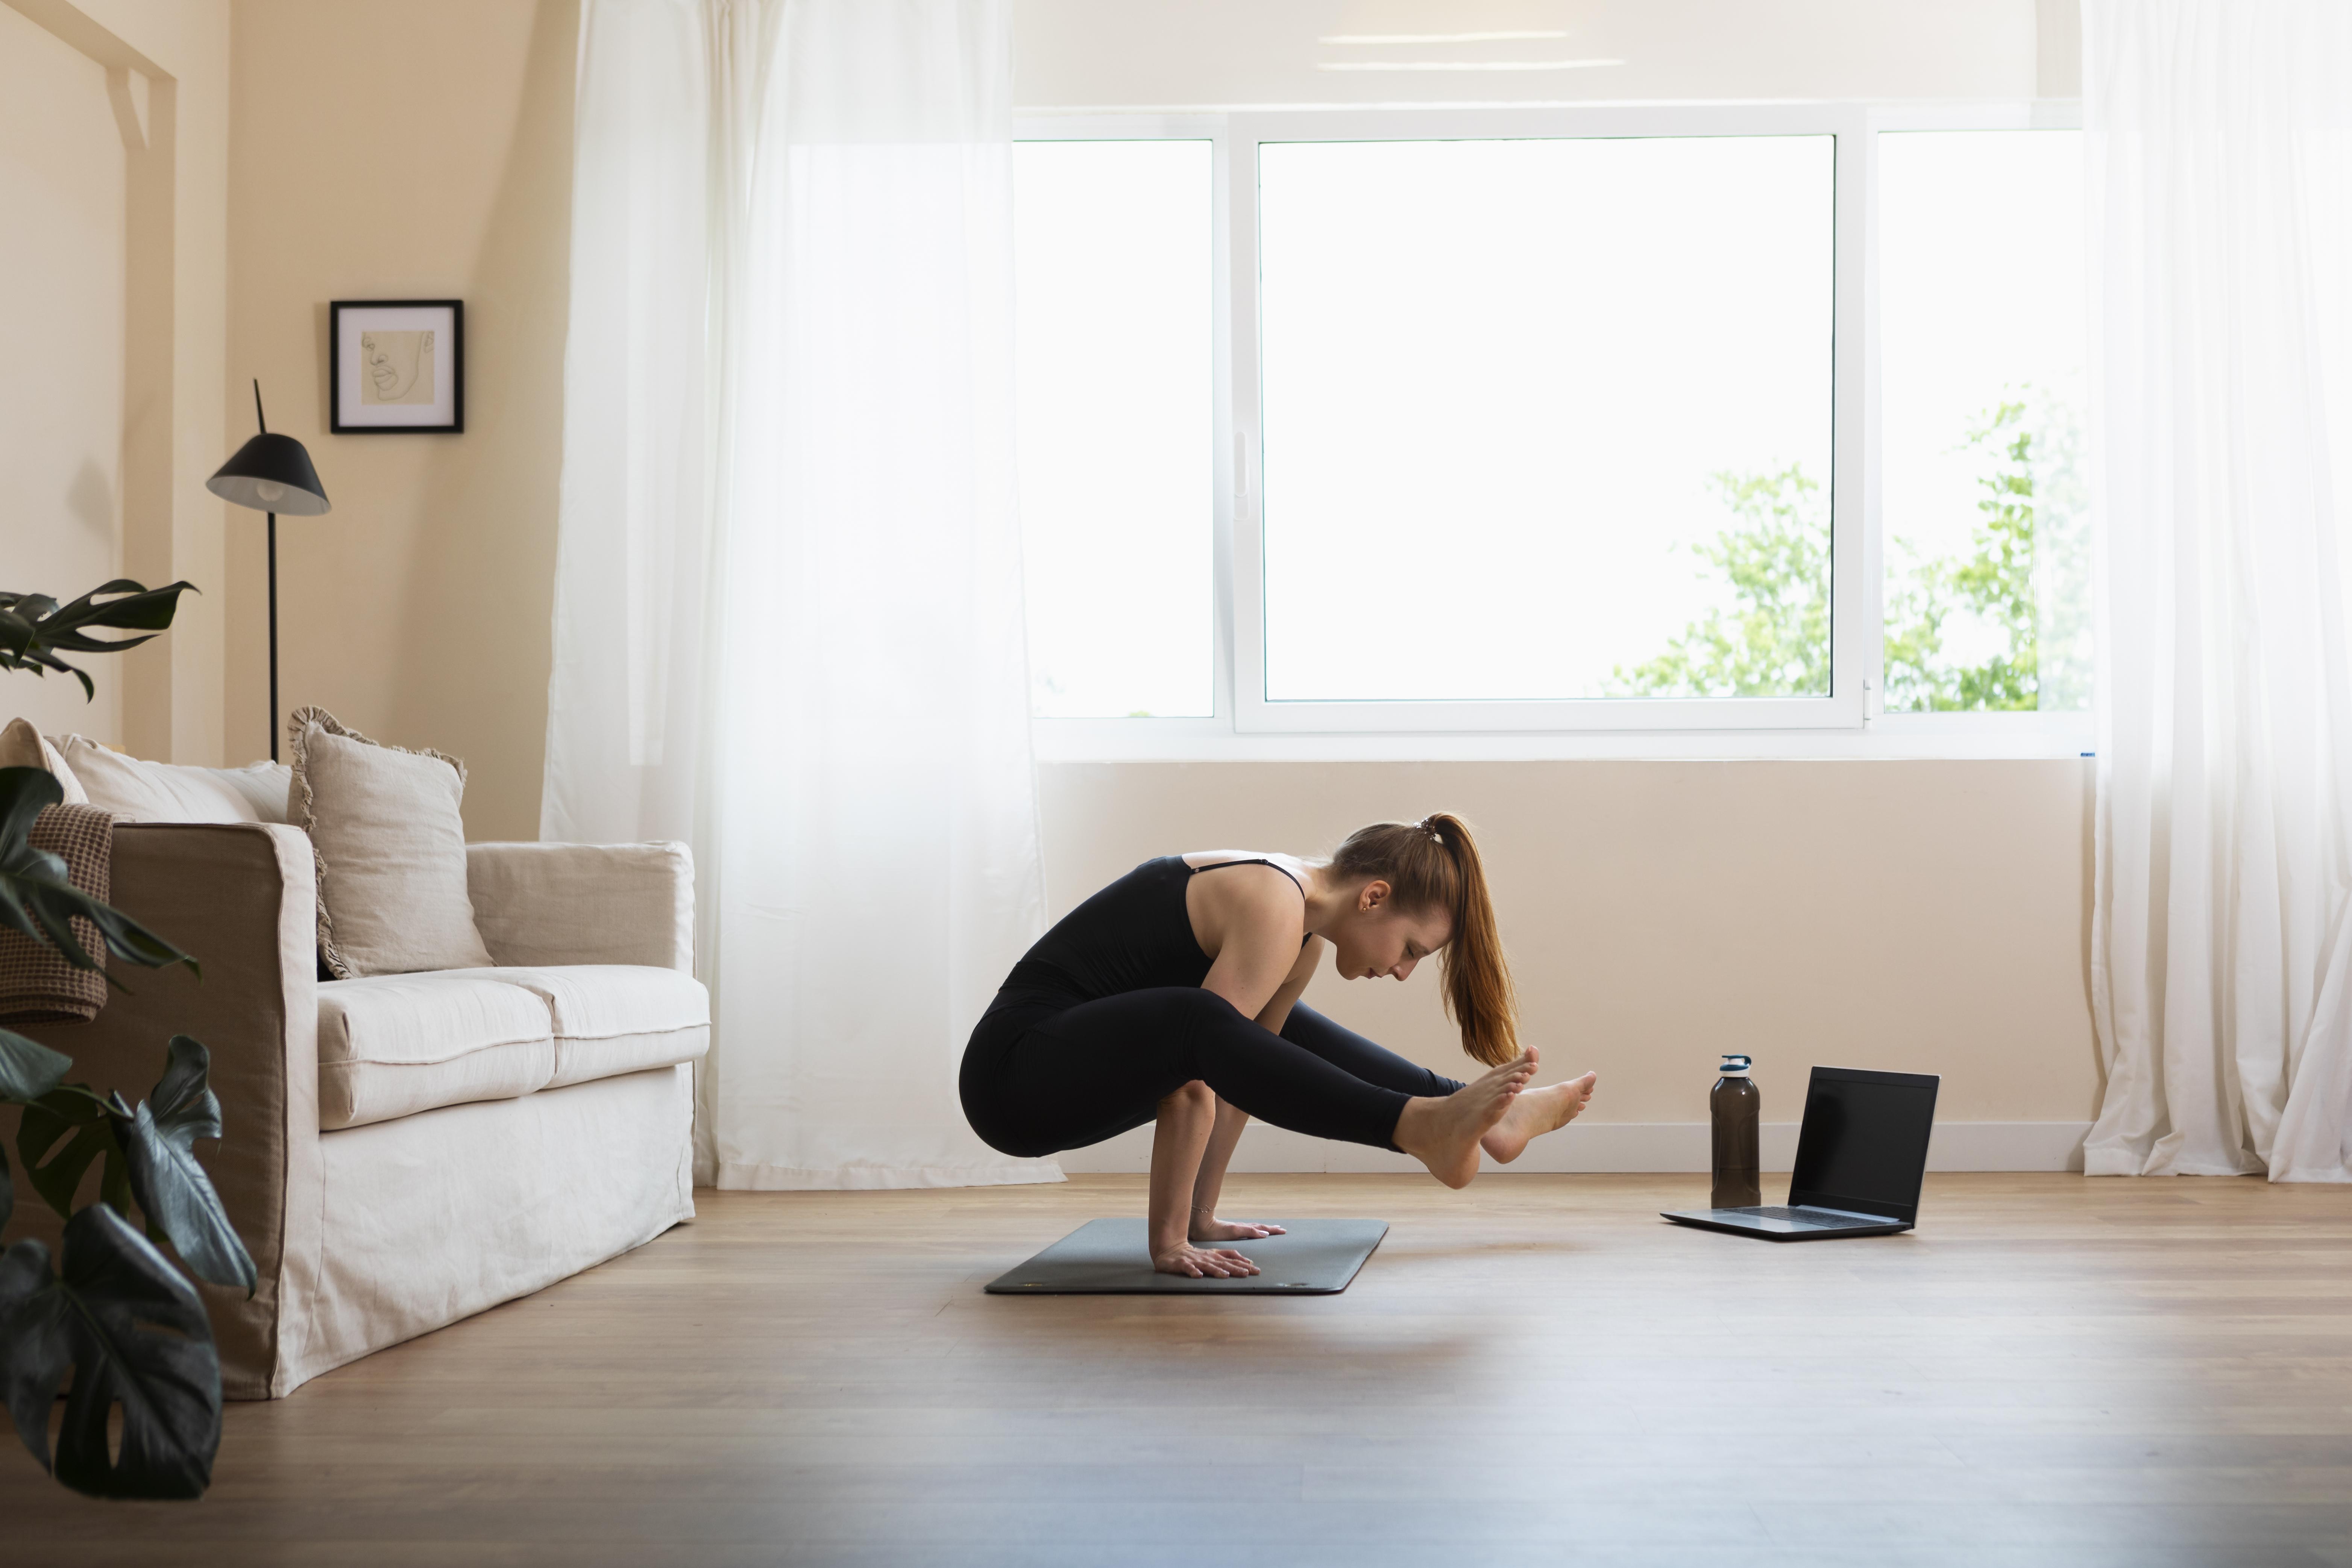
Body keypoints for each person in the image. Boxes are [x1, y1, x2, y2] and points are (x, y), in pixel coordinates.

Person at [960, 814, 1598, 1278]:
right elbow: (1191, 1084)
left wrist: (1202, 1215)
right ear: (1373, 896)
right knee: (1201, 1021)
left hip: (1067, 1070)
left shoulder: (1302, 937)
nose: (1403, 971)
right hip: (1014, 1076)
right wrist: (1170, 1241)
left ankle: (1472, 1116)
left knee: (1267, 1029)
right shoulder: (1274, 902)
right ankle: (1415, 1125)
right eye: (1409, 949)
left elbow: (1240, 1082)